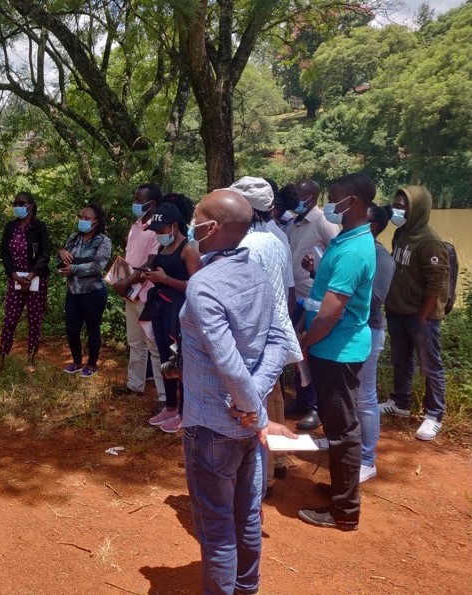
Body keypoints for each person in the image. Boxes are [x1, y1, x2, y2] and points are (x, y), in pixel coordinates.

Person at [181, 189, 294, 595]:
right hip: (247, 428)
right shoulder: (259, 274)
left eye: (196, 218)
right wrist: (254, 407)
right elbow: (281, 341)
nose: (192, 225)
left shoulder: (203, 286)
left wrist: (248, 406)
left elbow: (228, 363)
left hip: (210, 428)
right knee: (247, 518)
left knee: (217, 531)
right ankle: (248, 589)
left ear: (211, 228)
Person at [297, 173, 376, 531]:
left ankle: (345, 510)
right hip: (332, 346)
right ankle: (340, 489)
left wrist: (307, 340)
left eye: (337, 198)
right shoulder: (347, 238)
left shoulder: (355, 250)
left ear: (355, 202)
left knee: (344, 428)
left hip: (338, 349)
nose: (330, 203)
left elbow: (332, 310)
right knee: (337, 422)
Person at [305, 204, 395, 484]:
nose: (332, 207)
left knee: (363, 401)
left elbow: (370, 300)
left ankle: (366, 460)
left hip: (357, 336)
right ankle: (342, 460)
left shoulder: (373, 254)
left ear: (373, 225)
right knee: (343, 409)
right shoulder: (344, 244)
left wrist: (307, 338)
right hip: (335, 338)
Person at [231, 177, 303, 496]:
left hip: (254, 335)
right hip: (276, 331)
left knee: (251, 407)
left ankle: (263, 479)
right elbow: (288, 291)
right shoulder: (276, 236)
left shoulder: (245, 245)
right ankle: (279, 460)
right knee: (273, 396)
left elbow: (242, 297)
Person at [380, 186, 450, 441]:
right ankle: (400, 402)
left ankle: (434, 414)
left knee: (430, 366)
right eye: (397, 204)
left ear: (417, 209)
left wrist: (423, 316)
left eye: (404, 206)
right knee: (401, 360)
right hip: (398, 310)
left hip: (421, 316)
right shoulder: (400, 233)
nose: (398, 210)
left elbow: (436, 283)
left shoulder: (429, 241)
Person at [135, 202, 200, 432]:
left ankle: (185, 411)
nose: (159, 236)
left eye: (161, 231)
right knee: (165, 359)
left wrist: (166, 280)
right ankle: (171, 405)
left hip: (180, 311)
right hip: (160, 308)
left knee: (180, 362)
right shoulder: (164, 248)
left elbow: (196, 286)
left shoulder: (189, 249)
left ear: (174, 226)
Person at [285, 178, 340, 431]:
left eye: (299, 194)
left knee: (314, 352)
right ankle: (303, 400)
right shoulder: (294, 223)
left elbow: (336, 254)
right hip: (295, 296)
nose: (295, 198)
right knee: (299, 352)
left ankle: (317, 407)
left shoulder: (324, 223)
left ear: (313, 197)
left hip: (314, 299)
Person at [110, 184, 167, 400]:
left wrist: (126, 282)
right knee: (135, 342)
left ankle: (164, 397)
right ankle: (135, 385)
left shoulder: (157, 229)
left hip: (147, 294)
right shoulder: (135, 226)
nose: (134, 203)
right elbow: (128, 260)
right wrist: (120, 281)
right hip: (130, 293)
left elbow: (150, 263)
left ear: (151, 203)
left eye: (138, 199)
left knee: (153, 346)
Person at [0, 191, 51, 376]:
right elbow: (5, 254)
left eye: (21, 203)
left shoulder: (40, 227)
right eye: (15, 203)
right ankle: (2, 358)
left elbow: (45, 253)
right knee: (9, 321)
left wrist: (32, 274)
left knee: (34, 321)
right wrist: (14, 275)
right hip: (15, 281)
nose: (17, 206)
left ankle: (31, 358)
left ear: (30, 205)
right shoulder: (10, 227)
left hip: (36, 282)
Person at [57, 203, 111, 378]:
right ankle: (77, 362)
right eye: (81, 217)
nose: (83, 220)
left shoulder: (103, 241)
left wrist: (74, 269)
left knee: (92, 329)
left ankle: (92, 364)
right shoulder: (73, 238)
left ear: (96, 221)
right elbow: (62, 260)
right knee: (72, 329)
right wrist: (61, 253)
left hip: (93, 293)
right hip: (73, 292)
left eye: (87, 218)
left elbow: (98, 266)